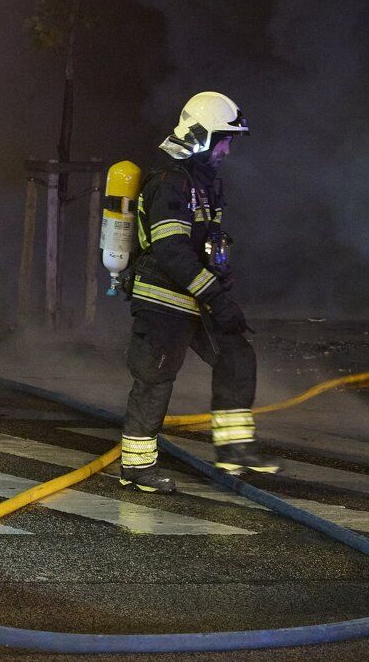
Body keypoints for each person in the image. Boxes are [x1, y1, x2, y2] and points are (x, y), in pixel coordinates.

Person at [117, 91, 276, 490]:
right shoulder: (171, 184)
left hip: (195, 298)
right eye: (225, 140)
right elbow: (172, 252)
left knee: (237, 356)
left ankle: (234, 451)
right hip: (163, 301)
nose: (227, 150)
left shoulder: (201, 185)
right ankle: (136, 466)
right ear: (203, 137)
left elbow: (204, 249)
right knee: (155, 377)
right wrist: (217, 298)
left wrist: (220, 291)